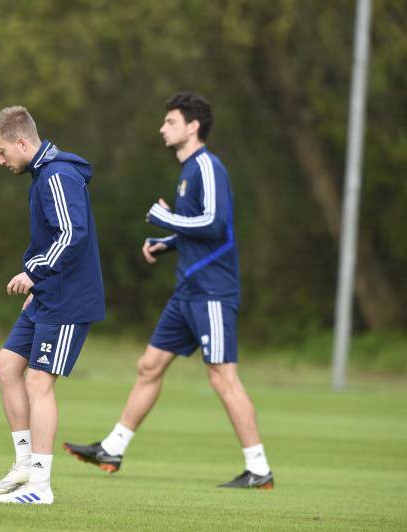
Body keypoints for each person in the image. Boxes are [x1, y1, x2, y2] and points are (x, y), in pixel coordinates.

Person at [63, 93, 274, 489]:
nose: (163, 127)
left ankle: (259, 469)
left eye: (171, 121)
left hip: (212, 291)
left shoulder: (207, 166)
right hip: (187, 290)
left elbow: (216, 224)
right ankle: (113, 447)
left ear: (193, 126)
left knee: (222, 377)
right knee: (149, 367)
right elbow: (198, 227)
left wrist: (165, 217)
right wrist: (168, 240)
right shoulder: (187, 171)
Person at [0, 106, 105, 505]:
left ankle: (40, 485)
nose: (0, 160)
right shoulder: (44, 175)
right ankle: (23, 465)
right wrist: (40, 285)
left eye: (1, 152)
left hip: (68, 299)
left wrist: (34, 273)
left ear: (22, 142)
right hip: (49, 293)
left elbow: (72, 233)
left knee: (38, 383)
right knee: (5, 367)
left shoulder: (58, 175)